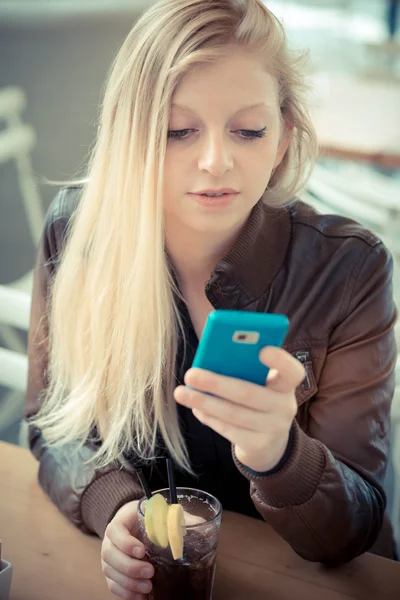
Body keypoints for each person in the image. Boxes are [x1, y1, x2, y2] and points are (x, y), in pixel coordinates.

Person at [24, 0, 398, 598]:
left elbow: (355, 530)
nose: (216, 161)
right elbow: (54, 428)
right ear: (133, 138)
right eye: (178, 131)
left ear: (282, 140)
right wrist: (113, 504)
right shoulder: (77, 233)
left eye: (249, 130)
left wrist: (279, 454)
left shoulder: (350, 272)